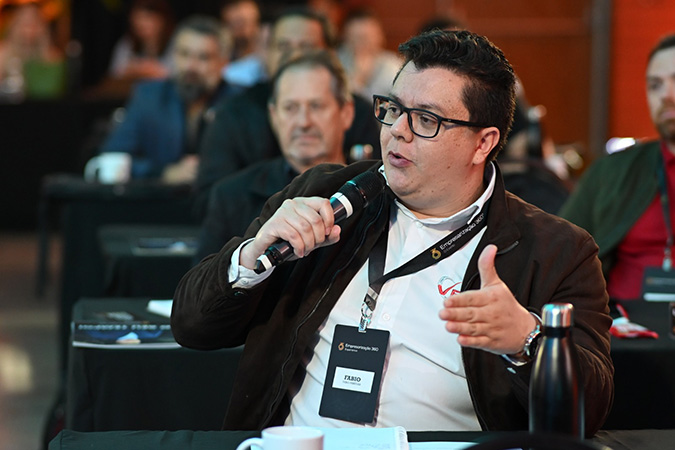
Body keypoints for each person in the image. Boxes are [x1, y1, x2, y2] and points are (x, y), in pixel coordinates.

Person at [173, 29, 613, 434]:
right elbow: (192, 327)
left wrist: (527, 340)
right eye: (394, 109)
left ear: (483, 143)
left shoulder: (556, 251)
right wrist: (252, 256)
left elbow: (588, 411)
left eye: (427, 120)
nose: (398, 131)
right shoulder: (325, 194)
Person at [193, 7, 382, 216]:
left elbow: (375, 181)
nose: (294, 55)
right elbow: (212, 200)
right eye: (283, 46)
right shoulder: (232, 113)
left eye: (306, 46)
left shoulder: (358, 110)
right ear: (267, 52)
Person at [196, 50, 353, 261]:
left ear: (346, 113)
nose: (303, 122)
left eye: (316, 106)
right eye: (290, 108)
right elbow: (202, 281)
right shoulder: (231, 197)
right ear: (273, 116)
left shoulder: (378, 194)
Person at [560, 33, 675, 302]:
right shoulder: (611, 172)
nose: (666, 95)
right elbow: (556, 250)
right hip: (622, 322)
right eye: (655, 86)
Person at [98, 15, 241, 183]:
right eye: (184, 54)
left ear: (224, 62)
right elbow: (112, 158)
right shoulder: (149, 96)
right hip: (160, 196)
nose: (191, 66)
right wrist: (164, 173)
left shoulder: (239, 101)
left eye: (203, 57)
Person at [0, 1, 65, 102]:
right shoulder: (4, 52)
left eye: (35, 23)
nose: (30, 29)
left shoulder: (52, 56)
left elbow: (57, 91)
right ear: (15, 25)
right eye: (26, 24)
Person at [337, 9, 402, 100]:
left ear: (380, 37)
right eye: (356, 38)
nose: (361, 44)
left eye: (366, 38)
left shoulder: (393, 66)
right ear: (345, 38)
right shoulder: (335, 63)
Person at [107, 0, 175, 82]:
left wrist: (143, 68)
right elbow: (115, 74)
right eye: (138, 18)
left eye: (147, 18)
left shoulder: (176, 42)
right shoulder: (127, 43)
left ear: (162, 19)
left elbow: (175, 74)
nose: (142, 24)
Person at [219, 0, 266, 87]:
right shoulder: (217, 64)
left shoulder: (265, 65)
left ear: (257, 25)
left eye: (242, 22)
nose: (238, 29)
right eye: (232, 24)